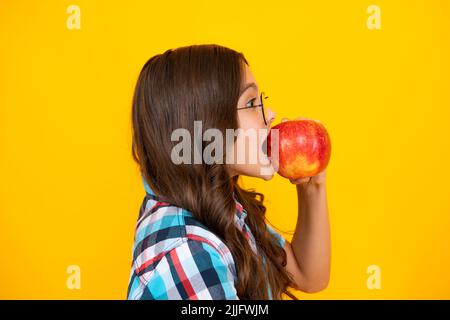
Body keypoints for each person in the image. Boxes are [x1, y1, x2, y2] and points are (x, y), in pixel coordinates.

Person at [127, 44, 330, 300]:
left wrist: (312, 185)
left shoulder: (222, 207)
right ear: (206, 125)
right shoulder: (191, 254)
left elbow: (307, 273)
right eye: (251, 103)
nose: (271, 114)